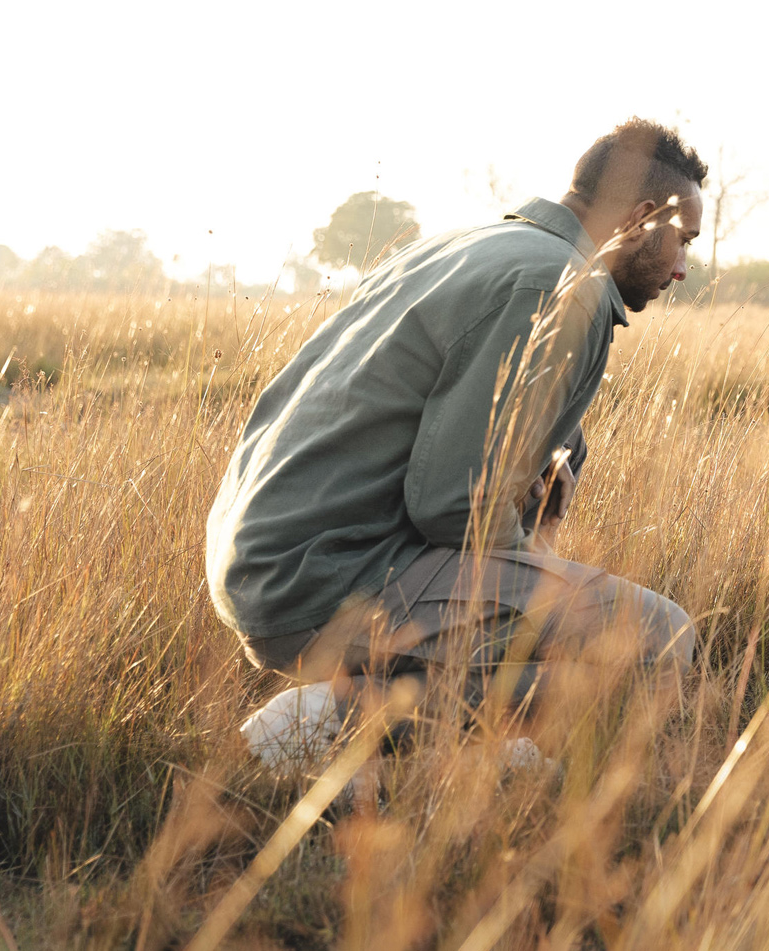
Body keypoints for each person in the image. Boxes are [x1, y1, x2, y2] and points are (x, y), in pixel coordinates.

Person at [207, 119, 705, 764]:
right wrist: (531, 586)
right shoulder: (558, 286)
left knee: (569, 550)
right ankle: (339, 719)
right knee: (658, 638)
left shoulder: (478, 245)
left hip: (271, 562)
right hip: (327, 577)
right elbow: (455, 504)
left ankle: (457, 746)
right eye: (683, 241)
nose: (683, 268)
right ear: (642, 217)